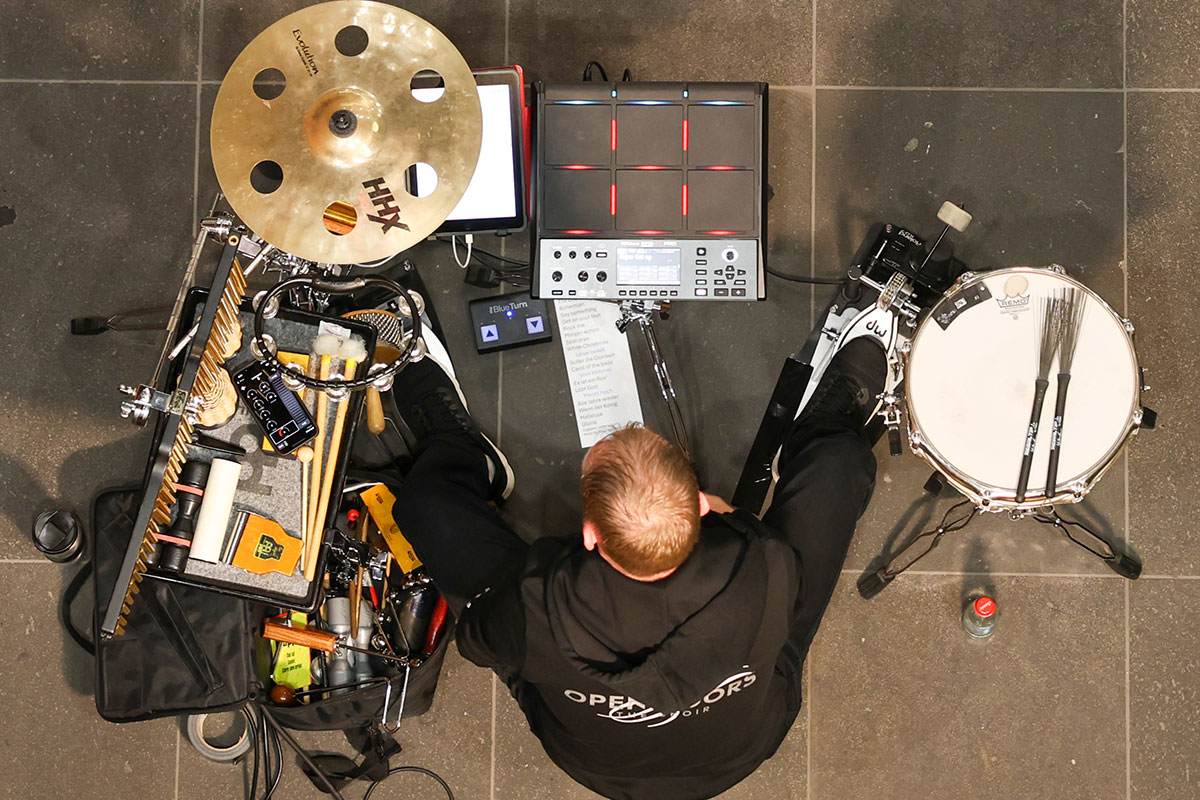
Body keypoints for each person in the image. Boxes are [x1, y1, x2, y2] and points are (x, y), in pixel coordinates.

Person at [389, 334, 883, 800]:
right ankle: (827, 430)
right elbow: (758, 542)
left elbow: (478, 642)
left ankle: (463, 454)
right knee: (838, 465)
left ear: (589, 535)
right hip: (739, 746)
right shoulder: (763, 561)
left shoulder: (536, 601)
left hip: (599, 763)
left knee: (425, 504)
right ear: (701, 506)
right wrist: (728, 514)